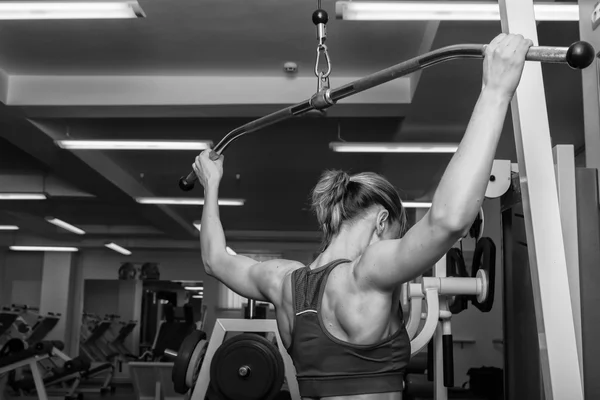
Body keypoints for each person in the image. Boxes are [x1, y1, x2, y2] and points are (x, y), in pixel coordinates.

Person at [192, 33, 533, 400]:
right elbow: (448, 221)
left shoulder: (282, 280)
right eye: (396, 233)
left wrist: (211, 184)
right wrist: (496, 91)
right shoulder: (368, 270)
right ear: (382, 221)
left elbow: (214, 260)